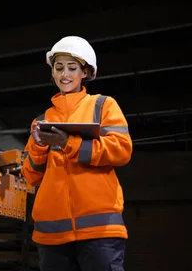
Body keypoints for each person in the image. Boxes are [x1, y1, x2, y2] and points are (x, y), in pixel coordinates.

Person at [21, 36, 133, 271]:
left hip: (99, 232)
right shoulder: (42, 121)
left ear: (85, 72)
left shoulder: (103, 106)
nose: (65, 74)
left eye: (72, 68)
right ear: (52, 73)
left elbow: (121, 150)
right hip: (51, 235)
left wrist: (68, 144)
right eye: (58, 68)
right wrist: (40, 146)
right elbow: (31, 176)